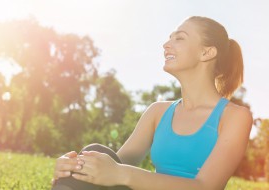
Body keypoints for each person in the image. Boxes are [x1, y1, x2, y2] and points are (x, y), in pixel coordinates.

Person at [51, 16, 253, 190]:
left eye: (179, 38)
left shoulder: (235, 116)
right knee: (96, 152)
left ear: (206, 53)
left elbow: (205, 187)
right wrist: (78, 167)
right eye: (169, 38)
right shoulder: (158, 111)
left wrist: (122, 174)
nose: (166, 44)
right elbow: (113, 167)